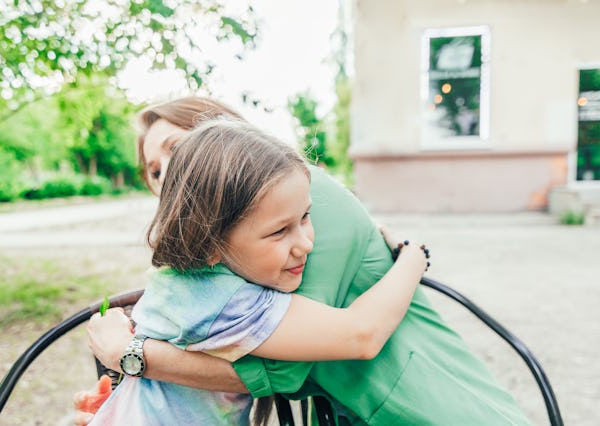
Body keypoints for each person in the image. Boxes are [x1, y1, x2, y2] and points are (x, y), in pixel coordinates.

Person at [76, 96, 531, 425]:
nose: (170, 173)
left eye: (177, 147)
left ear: (225, 134)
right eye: (155, 170)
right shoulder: (208, 266)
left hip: (434, 406)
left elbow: (283, 370)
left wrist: (130, 356)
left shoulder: (289, 191)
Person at [86, 119, 427, 425]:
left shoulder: (182, 282)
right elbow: (361, 335)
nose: (306, 243)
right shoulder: (223, 300)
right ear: (209, 243)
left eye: (305, 217)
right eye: (279, 231)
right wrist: (413, 255)